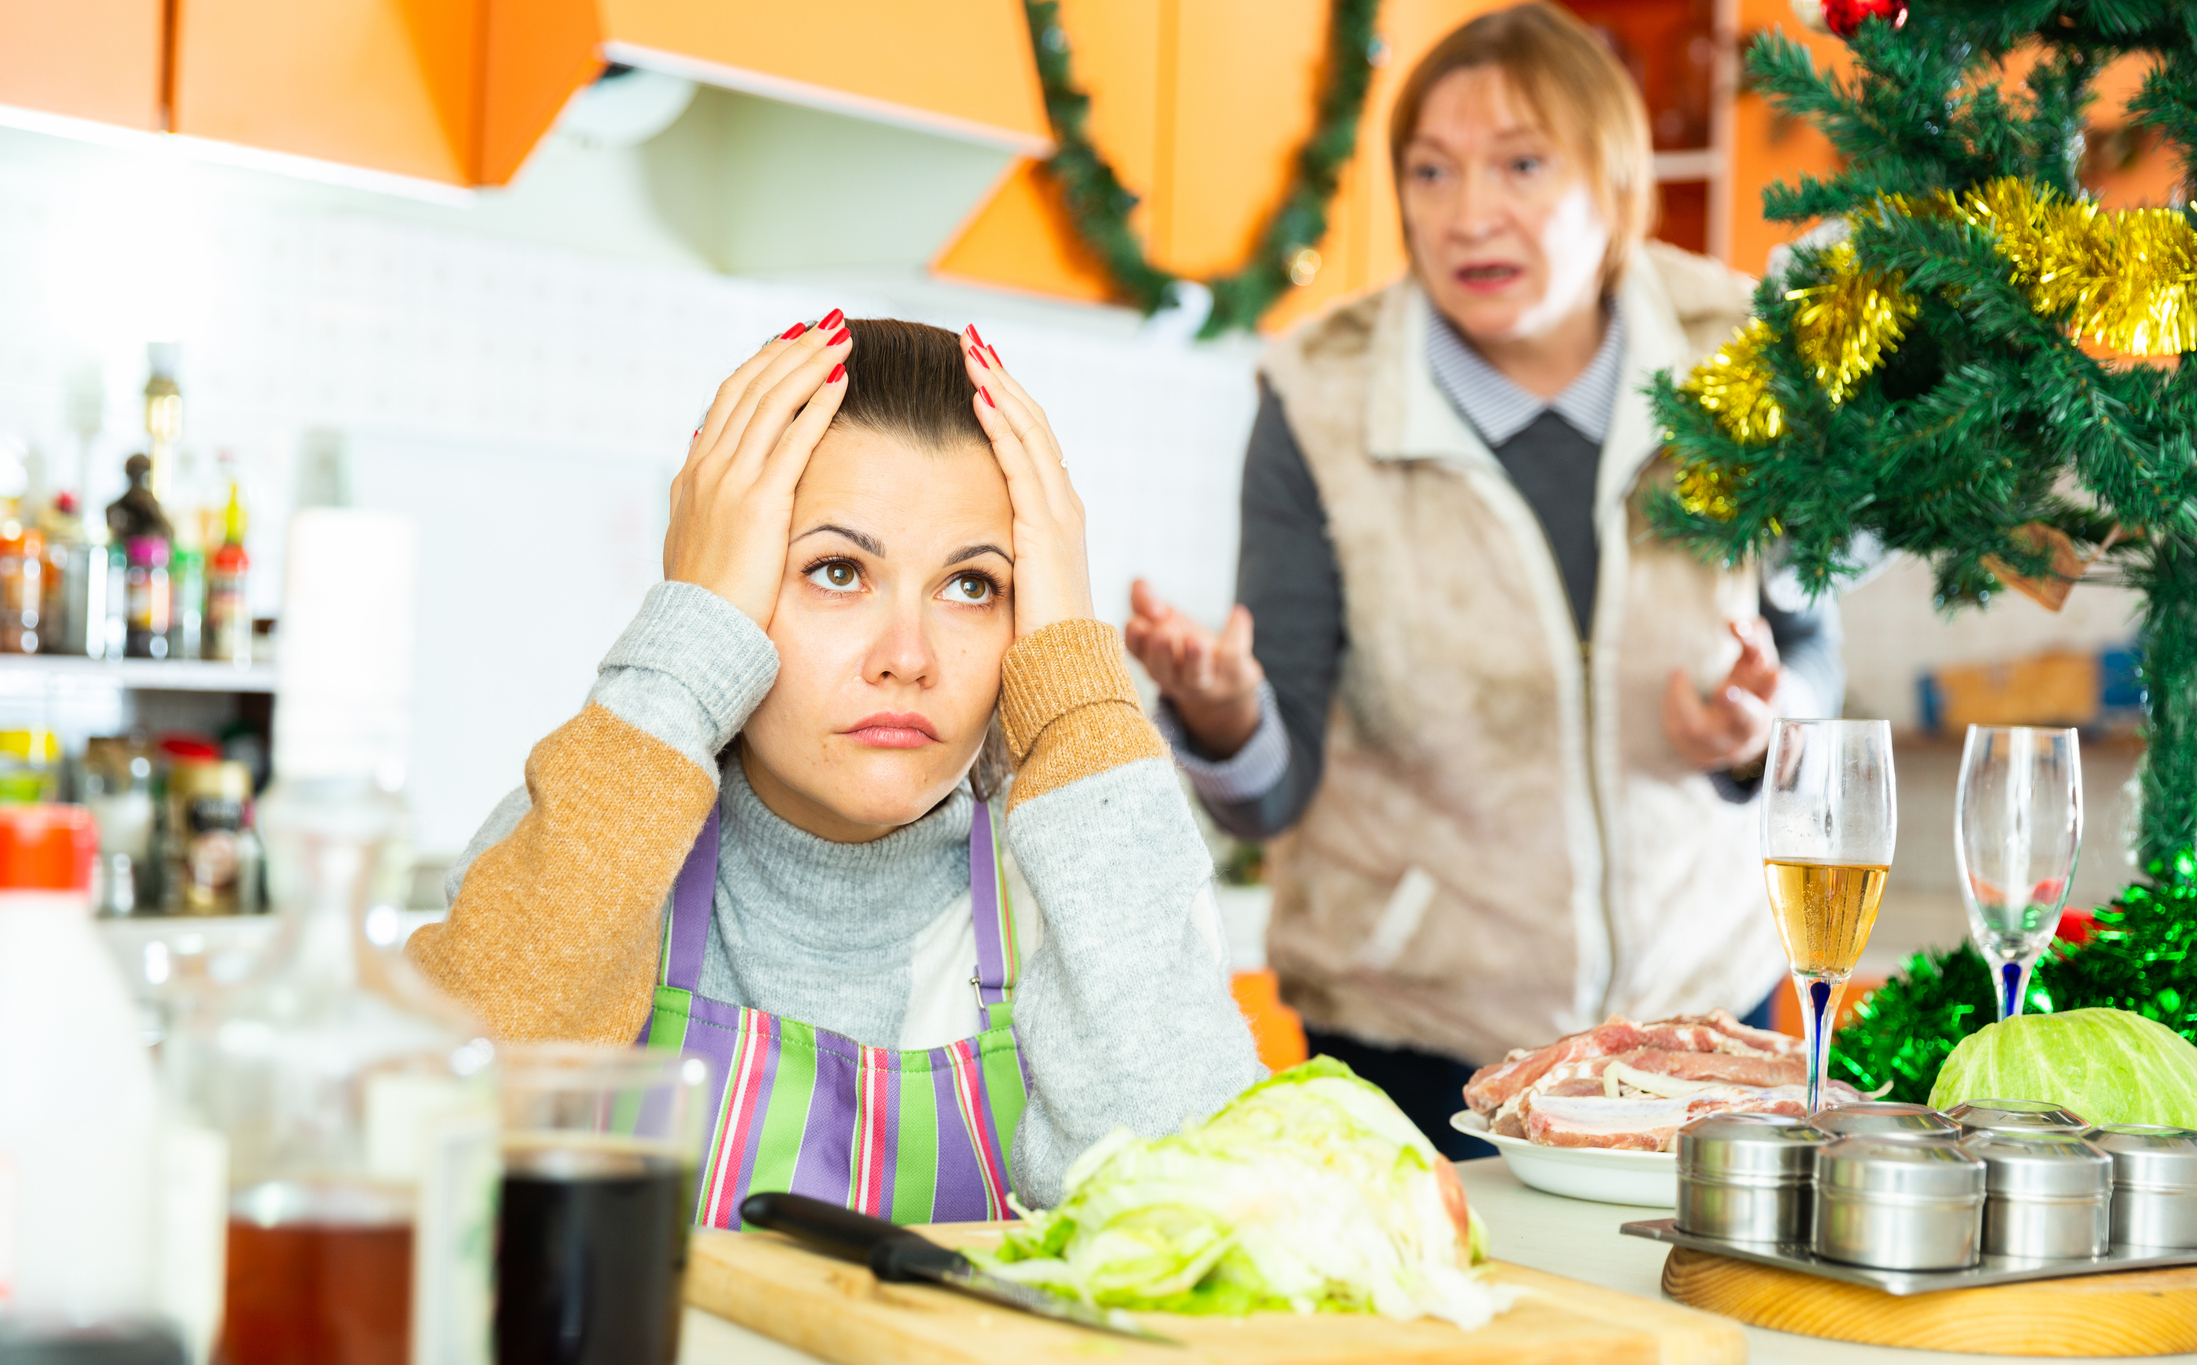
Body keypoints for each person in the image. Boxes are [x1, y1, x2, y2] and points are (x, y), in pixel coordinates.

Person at [1125, 2, 1842, 1157]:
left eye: (1519, 163)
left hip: (1704, 1018)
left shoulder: (1741, 353)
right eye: (1429, 170)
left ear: (1612, 184)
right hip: (1416, 1042)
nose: (1468, 214)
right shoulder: (1320, 396)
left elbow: (1812, 644)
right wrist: (1221, 714)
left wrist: (1761, 735)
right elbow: (1273, 790)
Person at [411, 316, 1260, 1220]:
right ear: (726, 586)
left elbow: (1195, 1226)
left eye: (972, 585)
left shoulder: (1077, 884)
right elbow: (428, 1161)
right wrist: (685, 643)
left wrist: (1078, 692)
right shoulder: (588, 832)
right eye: (836, 570)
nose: (908, 655)